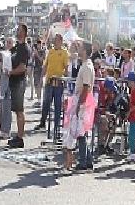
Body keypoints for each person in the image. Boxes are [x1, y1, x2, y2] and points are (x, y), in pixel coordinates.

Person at [62, 41, 95, 172]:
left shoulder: (87, 66)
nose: (78, 50)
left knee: (80, 132)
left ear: (85, 51)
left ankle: (83, 162)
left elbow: (86, 87)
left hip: (83, 101)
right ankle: (87, 160)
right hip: (82, 99)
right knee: (82, 132)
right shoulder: (85, 65)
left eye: (80, 48)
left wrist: (80, 104)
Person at [35, 33, 69, 139]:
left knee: (57, 105)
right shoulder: (50, 51)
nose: (54, 41)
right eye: (54, 39)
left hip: (58, 83)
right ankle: (42, 123)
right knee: (46, 102)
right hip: (49, 82)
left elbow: (66, 68)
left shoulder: (64, 53)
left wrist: (65, 79)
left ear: (61, 41)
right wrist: (41, 78)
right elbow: (45, 65)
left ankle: (56, 127)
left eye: (56, 40)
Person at [7, 24, 30, 149]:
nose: (17, 32)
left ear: (24, 33)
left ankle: (20, 138)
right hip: (14, 82)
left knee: (19, 111)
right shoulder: (17, 47)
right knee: (17, 111)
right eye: (17, 30)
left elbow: (22, 67)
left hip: (19, 82)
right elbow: (8, 57)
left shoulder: (24, 49)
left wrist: (10, 72)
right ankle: (18, 136)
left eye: (19, 30)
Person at [0, 37, 14, 140]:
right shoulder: (5, 53)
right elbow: (1, 67)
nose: (8, 44)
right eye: (7, 42)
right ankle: (2, 130)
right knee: (2, 107)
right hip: (3, 83)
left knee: (7, 107)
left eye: (10, 43)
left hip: (9, 84)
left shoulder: (13, 55)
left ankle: (7, 131)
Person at [32, 40, 45, 107]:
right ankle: (38, 99)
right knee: (36, 85)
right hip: (35, 69)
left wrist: (36, 54)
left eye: (39, 44)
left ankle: (40, 100)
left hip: (40, 70)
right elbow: (32, 60)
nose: (38, 46)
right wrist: (33, 55)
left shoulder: (43, 52)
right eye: (37, 44)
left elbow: (41, 60)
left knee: (39, 85)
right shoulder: (35, 51)